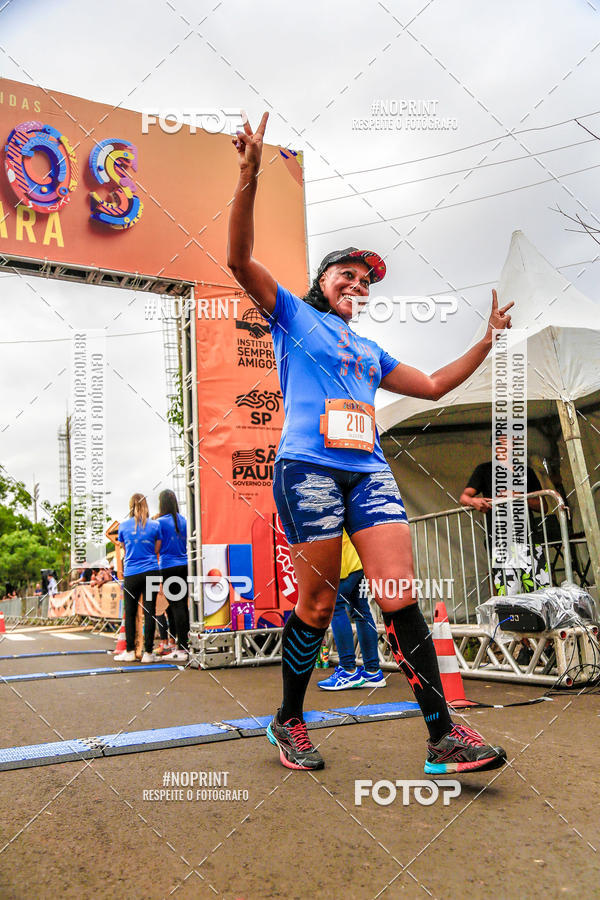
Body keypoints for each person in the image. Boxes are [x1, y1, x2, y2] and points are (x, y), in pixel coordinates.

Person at [227, 112, 511, 774]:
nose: (357, 285)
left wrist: (486, 341)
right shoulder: (292, 317)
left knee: (398, 592)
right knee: (319, 602)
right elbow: (238, 259)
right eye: (346, 275)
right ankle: (288, 719)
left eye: (365, 281)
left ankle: (443, 737)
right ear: (324, 283)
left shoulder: (371, 349)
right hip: (307, 469)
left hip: (368, 472)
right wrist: (248, 176)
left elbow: (436, 383)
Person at [460, 435, 550, 596]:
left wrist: (518, 496)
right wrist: (475, 502)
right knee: (508, 590)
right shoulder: (484, 470)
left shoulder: (526, 471)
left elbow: (543, 506)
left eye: (510, 442)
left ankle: (540, 621)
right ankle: (513, 621)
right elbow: (464, 497)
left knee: (539, 588)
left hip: (528, 538)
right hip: (499, 540)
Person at [318, 530, 386, 690]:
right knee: (361, 611)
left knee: (336, 607)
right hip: (358, 557)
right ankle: (373, 671)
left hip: (343, 558)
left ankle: (348, 670)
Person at [115, 493, 161, 663]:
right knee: (150, 611)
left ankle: (129, 651)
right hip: (150, 572)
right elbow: (157, 549)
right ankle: (148, 652)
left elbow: (124, 548)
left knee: (130, 611)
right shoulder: (155, 526)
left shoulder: (123, 526)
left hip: (132, 573)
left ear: (130, 506)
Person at [157, 489, 190, 661]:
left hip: (168, 567)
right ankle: (183, 643)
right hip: (184, 565)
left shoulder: (159, 522)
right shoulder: (183, 520)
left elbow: (156, 547)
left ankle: (181, 648)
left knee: (176, 606)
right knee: (182, 605)